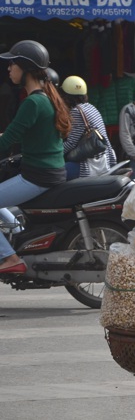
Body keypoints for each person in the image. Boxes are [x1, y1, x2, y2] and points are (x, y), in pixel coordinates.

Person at [0, 40, 71, 274]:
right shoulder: (46, 98)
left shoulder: (32, 102)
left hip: (37, 177)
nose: (9, 69)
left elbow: (7, 140)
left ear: (25, 68)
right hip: (48, 172)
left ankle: (10, 258)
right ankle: (20, 238)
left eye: (12, 65)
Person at [60, 75, 117, 179]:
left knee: (54, 174)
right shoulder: (91, 107)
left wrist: (53, 152)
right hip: (106, 160)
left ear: (66, 96)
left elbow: (71, 143)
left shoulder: (76, 112)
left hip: (90, 164)